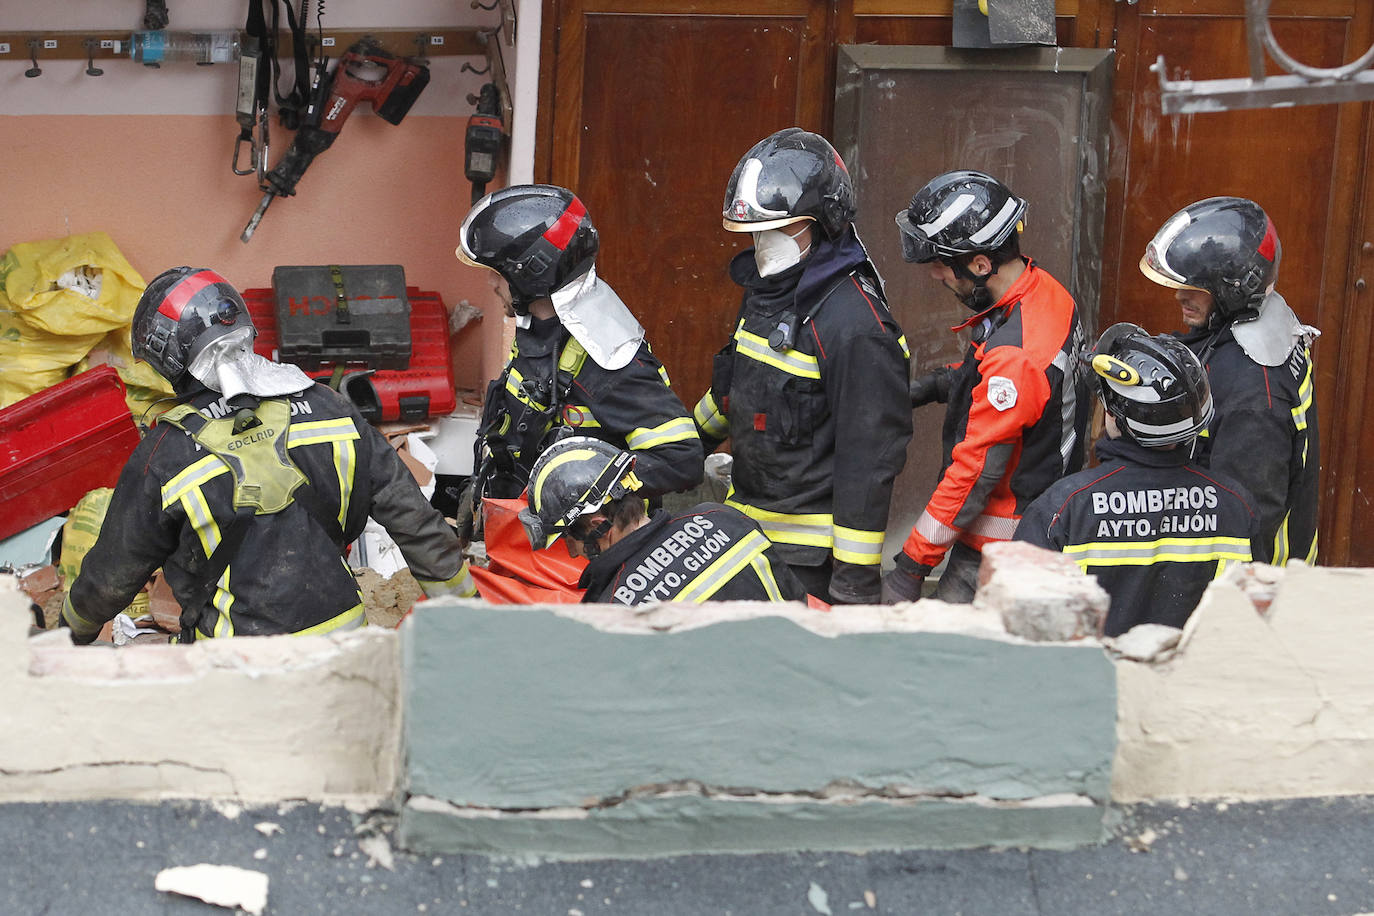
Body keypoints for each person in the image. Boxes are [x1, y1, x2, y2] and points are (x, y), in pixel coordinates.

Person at [61, 267, 475, 644]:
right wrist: (468, 612)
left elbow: (115, 570)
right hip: (347, 651)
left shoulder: (167, 454)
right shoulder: (332, 409)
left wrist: (73, 628)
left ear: (167, 359)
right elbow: (415, 522)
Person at [692, 127, 912, 605]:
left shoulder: (853, 325)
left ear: (822, 220)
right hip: (745, 539)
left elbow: (868, 463)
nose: (761, 242)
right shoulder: (767, 293)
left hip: (808, 566)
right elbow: (733, 391)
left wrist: (852, 586)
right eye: (755, 231)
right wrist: (681, 451)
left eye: (776, 227)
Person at [884, 170, 1091, 604]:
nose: (936, 276)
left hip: (1003, 549)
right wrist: (937, 385)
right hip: (1040, 522)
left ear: (980, 264)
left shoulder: (1015, 356)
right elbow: (1014, 382)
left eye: (941, 265)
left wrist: (911, 566)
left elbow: (975, 472)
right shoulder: (1044, 293)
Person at [457, 184, 703, 541]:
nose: (492, 283)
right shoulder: (539, 334)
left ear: (531, 273)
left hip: (578, 563)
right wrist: (480, 491)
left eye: (498, 272)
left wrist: (591, 489)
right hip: (526, 543)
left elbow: (682, 458)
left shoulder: (606, 354)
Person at [1014, 323, 1258, 636]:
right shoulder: (1236, 505)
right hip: (1191, 679)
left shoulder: (1065, 508)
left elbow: (1020, 626)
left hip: (1095, 680)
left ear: (1114, 416)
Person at [1140, 196, 1319, 566]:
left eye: (1197, 288)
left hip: (1253, 590)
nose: (1179, 294)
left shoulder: (1253, 391)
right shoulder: (1258, 322)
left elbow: (1241, 524)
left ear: (1234, 288)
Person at [519, 437, 808, 605]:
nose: (571, 552)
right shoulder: (726, 519)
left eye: (569, 538)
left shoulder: (610, 611)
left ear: (598, 526)